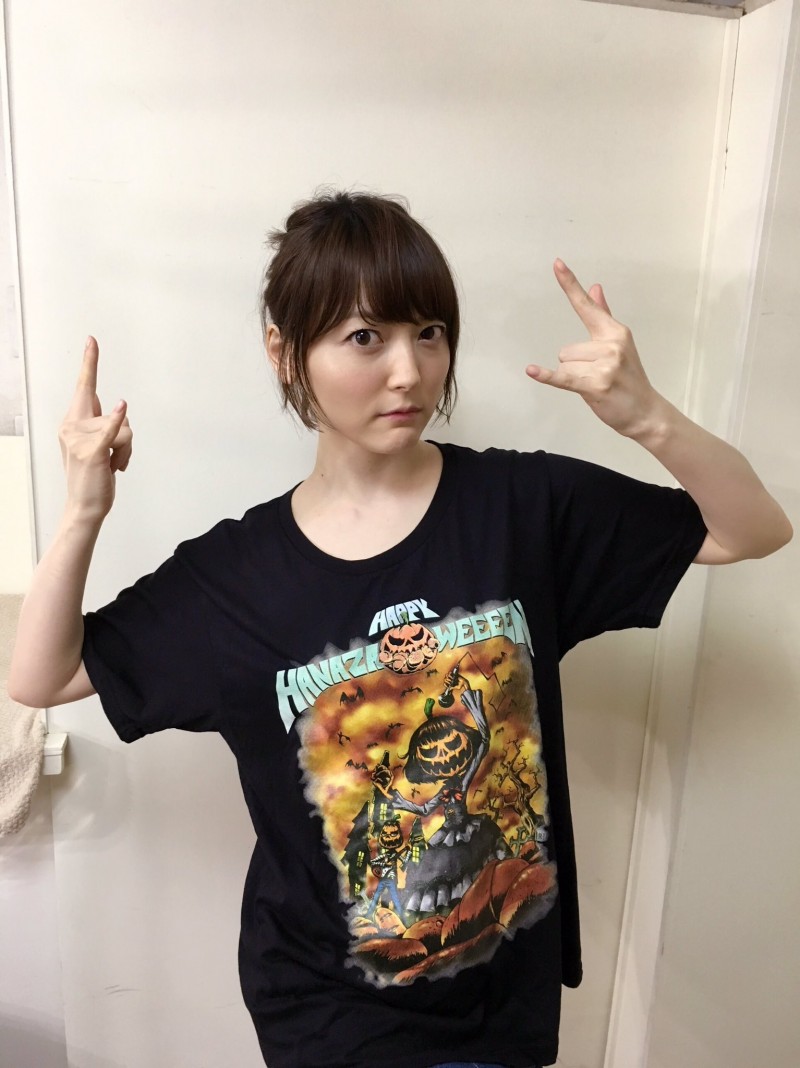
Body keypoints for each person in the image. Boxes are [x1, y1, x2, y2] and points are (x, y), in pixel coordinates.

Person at [9, 191, 792, 1068]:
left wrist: (646, 415)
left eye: (429, 332)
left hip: (503, 1000)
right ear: (284, 352)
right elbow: (42, 676)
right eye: (364, 337)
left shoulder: (520, 509)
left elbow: (751, 530)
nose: (410, 372)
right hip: (329, 1013)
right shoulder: (237, 577)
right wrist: (82, 511)